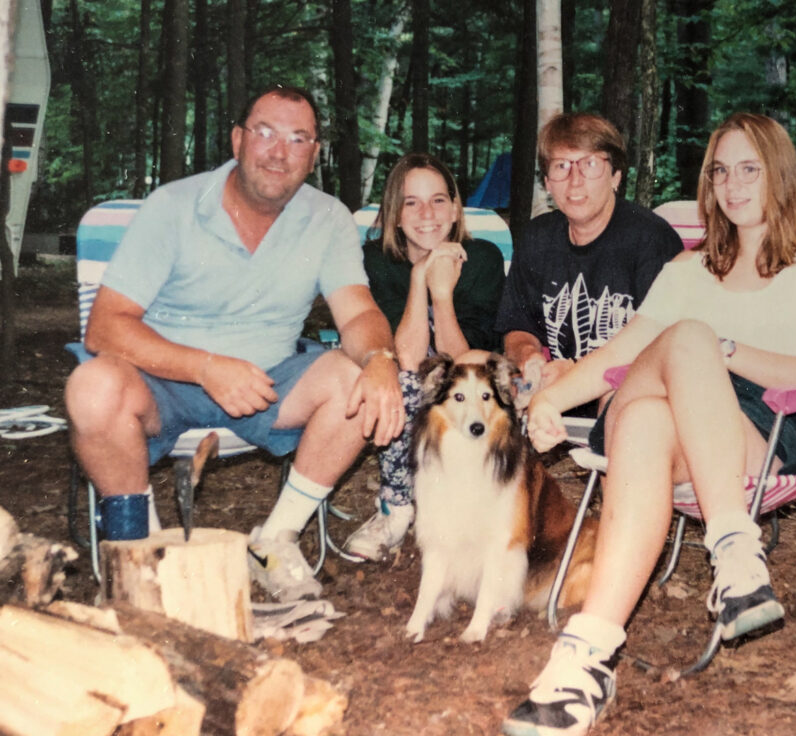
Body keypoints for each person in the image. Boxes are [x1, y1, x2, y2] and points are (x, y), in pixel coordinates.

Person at [501, 113, 796, 736]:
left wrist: (721, 350)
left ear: (781, 173)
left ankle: (586, 656)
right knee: (665, 368)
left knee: (655, 400)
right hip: (656, 397)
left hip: (761, 435)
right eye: (721, 171)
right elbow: (617, 356)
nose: (733, 186)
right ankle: (734, 553)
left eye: (750, 169)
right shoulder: (688, 270)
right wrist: (549, 401)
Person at [64, 85, 404, 602]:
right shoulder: (173, 206)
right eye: (265, 132)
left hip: (269, 382)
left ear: (314, 155)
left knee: (355, 380)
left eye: (298, 138)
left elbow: (357, 312)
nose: (279, 151)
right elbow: (106, 327)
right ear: (238, 139)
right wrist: (204, 367)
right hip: (164, 380)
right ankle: (139, 550)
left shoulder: (328, 217)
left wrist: (381, 360)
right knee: (91, 387)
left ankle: (274, 539)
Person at [341, 153, 506, 561]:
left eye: (437, 200)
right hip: (406, 388)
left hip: (467, 392)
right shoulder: (376, 261)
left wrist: (442, 294)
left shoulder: (481, 257)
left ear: (454, 209)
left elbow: (464, 359)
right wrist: (420, 278)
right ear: (394, 215)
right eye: (410, 202)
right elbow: (409, 358)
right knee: (399, 379)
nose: (426, 213)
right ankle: (397, 507)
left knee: (473, 371)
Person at [495, 112, 681, 412]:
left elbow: (663, 346)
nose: (574, 180)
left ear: (616, 176)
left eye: (590, 164)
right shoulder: (536, 237)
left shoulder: (650, 238)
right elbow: (517, 326)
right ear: (547, 183)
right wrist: (529, 357)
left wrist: (577, 374)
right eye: (561, 166)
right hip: (551, 386)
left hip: (627, 393)